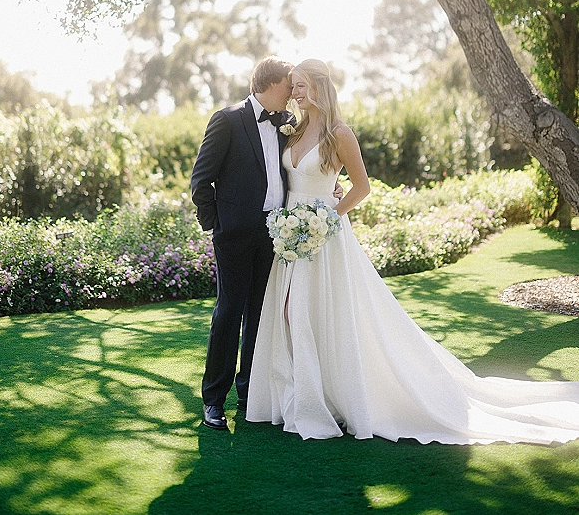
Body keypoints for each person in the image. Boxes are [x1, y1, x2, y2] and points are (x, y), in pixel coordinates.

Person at [247, 59, 579, 445]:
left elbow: (361, 187)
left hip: (324, 235)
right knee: (290, 312)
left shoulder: (340, 134)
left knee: (320, 312)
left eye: (301, 85)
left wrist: (324, 216)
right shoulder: (294, 129)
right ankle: (302, 395)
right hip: (292, 237)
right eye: (293, 86)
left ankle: (324, 399)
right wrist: (296, 222)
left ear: (320, 86)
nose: (295, 92)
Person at [191, 56, 342, 431]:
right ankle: (213, 400)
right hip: (234, 235)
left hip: (276, 235)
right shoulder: (226, 120)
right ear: (272, 85)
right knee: (229, 313)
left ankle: (250, 393)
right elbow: (201, 180)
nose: (293, 94)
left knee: (262, 315)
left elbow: (301, 166)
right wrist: (217, 226)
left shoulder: (287, 125)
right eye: (289, 87)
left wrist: (330, 186)